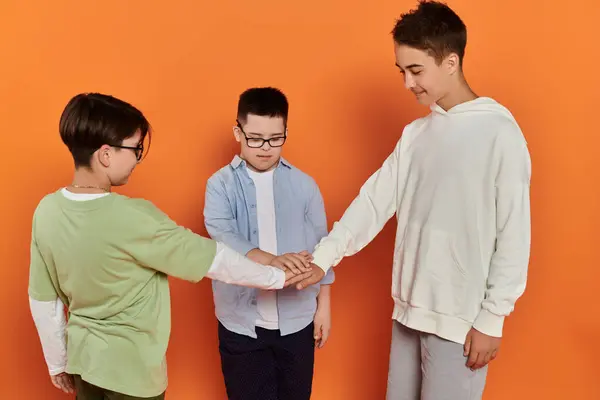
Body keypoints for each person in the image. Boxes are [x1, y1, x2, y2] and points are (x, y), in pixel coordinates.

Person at [293, 1, 532, 399]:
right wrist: (323, 258)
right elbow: (373, 202)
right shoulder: (416, 136)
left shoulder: (499, 133)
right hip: (407, 312)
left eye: (416, 70)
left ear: (451, 61)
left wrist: (493, 318)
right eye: (402, 71)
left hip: (460, 322)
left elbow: (514, 232)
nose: (407, 83)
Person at [27, 92, 305, 400]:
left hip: (83, 366)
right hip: (132, 375)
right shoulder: (133, 217)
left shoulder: (46, 211)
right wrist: (279, 277)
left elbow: (43, 300)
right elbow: (213, 259)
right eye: (135, 149)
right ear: (106, 154)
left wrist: (58, 363)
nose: (137, 158)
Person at [204, 87, 335, 400]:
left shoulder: (304, 185)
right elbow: (221, 232)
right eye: (255, 138)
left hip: (297, 321)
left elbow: (323, 247)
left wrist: (324, 307)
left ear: (285, 132)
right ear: (238, 131)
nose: (265, 148)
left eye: (276, 138)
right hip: (240, 324)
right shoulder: (219, 184)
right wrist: (270, 259)